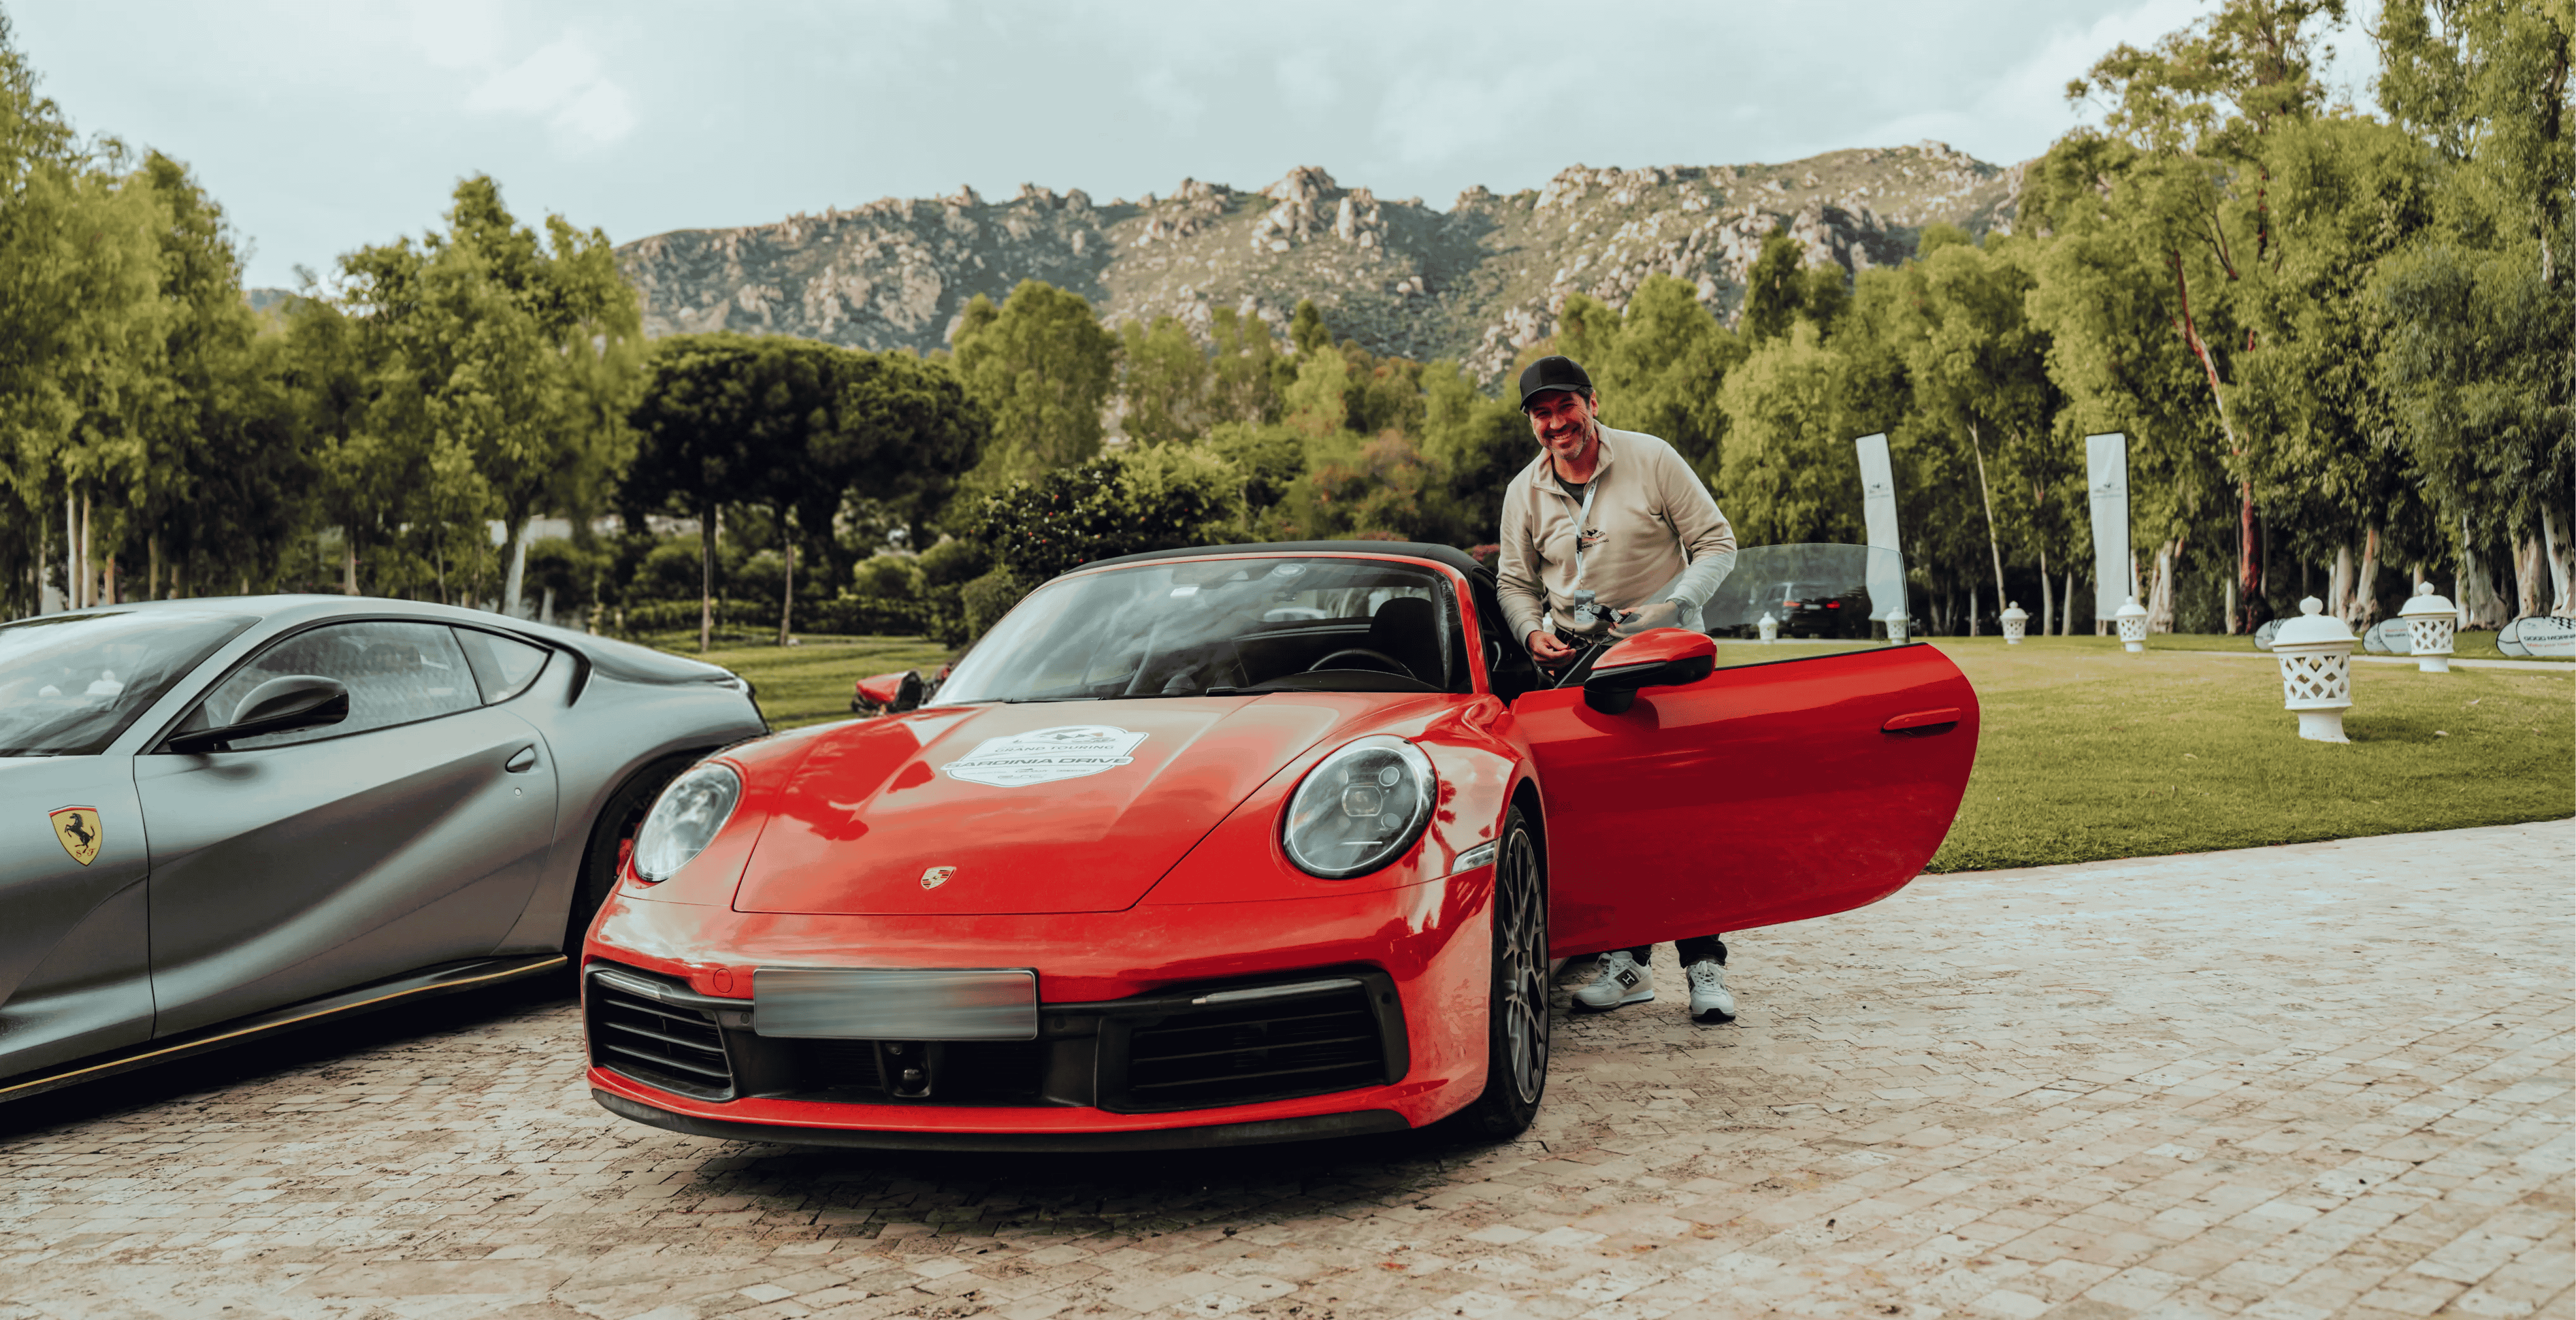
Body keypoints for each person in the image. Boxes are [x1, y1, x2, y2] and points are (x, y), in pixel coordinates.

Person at [1494, 354, 1743, 1024]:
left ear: (1591, 402)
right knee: (1613, 822)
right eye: (1541, 414)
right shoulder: (1525, 491)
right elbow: (1514, 584)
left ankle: (1705, 968)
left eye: (1564, 407)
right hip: (1582, 668)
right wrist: (1528, 635)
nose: (1556, 423)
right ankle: (1628, 966)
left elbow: (1717, 544)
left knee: (1682, 818)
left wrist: (1673, 606)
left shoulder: (1653, 458)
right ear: (1532, 423)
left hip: (1665, 657)